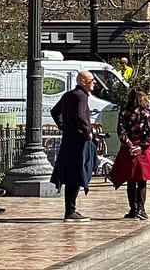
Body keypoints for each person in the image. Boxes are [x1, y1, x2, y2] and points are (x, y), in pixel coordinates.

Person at [49, 70, 97, 222]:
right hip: (79, 141)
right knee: (77, 173)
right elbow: (81, 116)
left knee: (71, 173)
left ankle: (70, 209)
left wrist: (64, 126)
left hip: (69, 139)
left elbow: (55, 111)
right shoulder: (81, 96)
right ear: (82, 81)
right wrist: (88, 132)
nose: (94, 83)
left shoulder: (68, 95)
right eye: (91, 80)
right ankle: (70, 211)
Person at [110, 90, 150, 221]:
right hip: (145, 150)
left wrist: (130, 145)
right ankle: (141, 210)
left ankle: (133, 209)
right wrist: (141, 146)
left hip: (129, 149)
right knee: (142, 180)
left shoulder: (124, 112)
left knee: (131, 180)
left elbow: (121, 131)